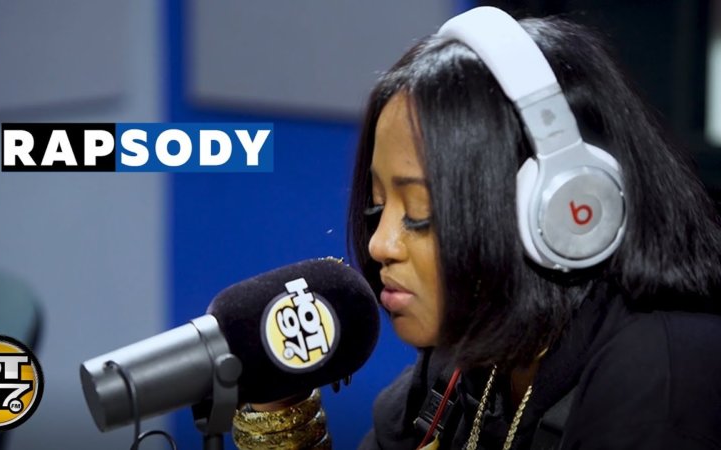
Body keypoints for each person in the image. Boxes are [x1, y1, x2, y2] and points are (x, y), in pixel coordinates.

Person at [233, 6, 721, 449]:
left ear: (552, 208)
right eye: (376, 209)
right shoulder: (469, 362)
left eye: (419, 212)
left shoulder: (663, 383)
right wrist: (279, 413)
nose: (380, 244)